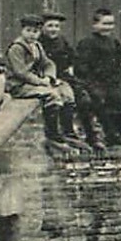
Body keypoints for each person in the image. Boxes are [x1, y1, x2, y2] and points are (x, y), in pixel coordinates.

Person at [4, 15, 83, 150]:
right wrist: (40, 82)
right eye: (28, 30)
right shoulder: (16, 47)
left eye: (35, 32)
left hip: (35, 82)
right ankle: (53, 134)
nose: (32, 34)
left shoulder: (37, 46)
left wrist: (49, 77)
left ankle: (68, 132)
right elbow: (20, 72)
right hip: (19, 85)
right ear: (22, 31)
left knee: (67, 93)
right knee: (52, 95)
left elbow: (48, 63)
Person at [73, 8, 121, 148]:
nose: (108, 27)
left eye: (111, 24)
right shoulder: (87, 43)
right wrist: (92, 85)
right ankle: (110, 135)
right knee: (100, 102)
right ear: (95, 25)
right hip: (95, 83)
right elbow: (82, 69)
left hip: (115, 83)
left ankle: (119, 131)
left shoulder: (114, 42)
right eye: (104, 24)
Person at [40, 12, 102, 148]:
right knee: (63, 98)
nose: (54, 29)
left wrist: (72, 67)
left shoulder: (61, 40)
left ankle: (91, 136)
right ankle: (65, 132)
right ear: (42, 27)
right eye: (50, 26)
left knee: (84, 97)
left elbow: (73, 56)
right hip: (46, 78)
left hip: (64, 76)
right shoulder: (38, 43)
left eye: (56, 26)